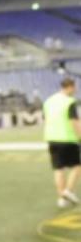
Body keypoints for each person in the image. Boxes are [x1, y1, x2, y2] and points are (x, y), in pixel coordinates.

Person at [42, 78, 81, 208]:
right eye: (74, 87)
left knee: (58, 169)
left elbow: (46, 118)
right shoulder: (70, 102)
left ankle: (62, 199)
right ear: (70, 87)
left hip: (52, 138)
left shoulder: (49, 101)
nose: (75, 90)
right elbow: (74, 121)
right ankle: (68, 191)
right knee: (77, 166)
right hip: (67, 138)